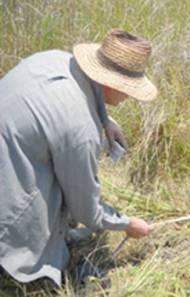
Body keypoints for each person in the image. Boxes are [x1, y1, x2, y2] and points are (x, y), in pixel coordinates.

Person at [0, 29, 158, 286]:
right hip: (7, 187)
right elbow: (86, 209)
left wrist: (105, 120)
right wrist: (127, 224)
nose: (130, 96)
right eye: (129, 89)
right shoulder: (80, 129)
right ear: (112, 83)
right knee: (54, 209)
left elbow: (55, 111)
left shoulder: (56, 59)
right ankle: (39, 268)